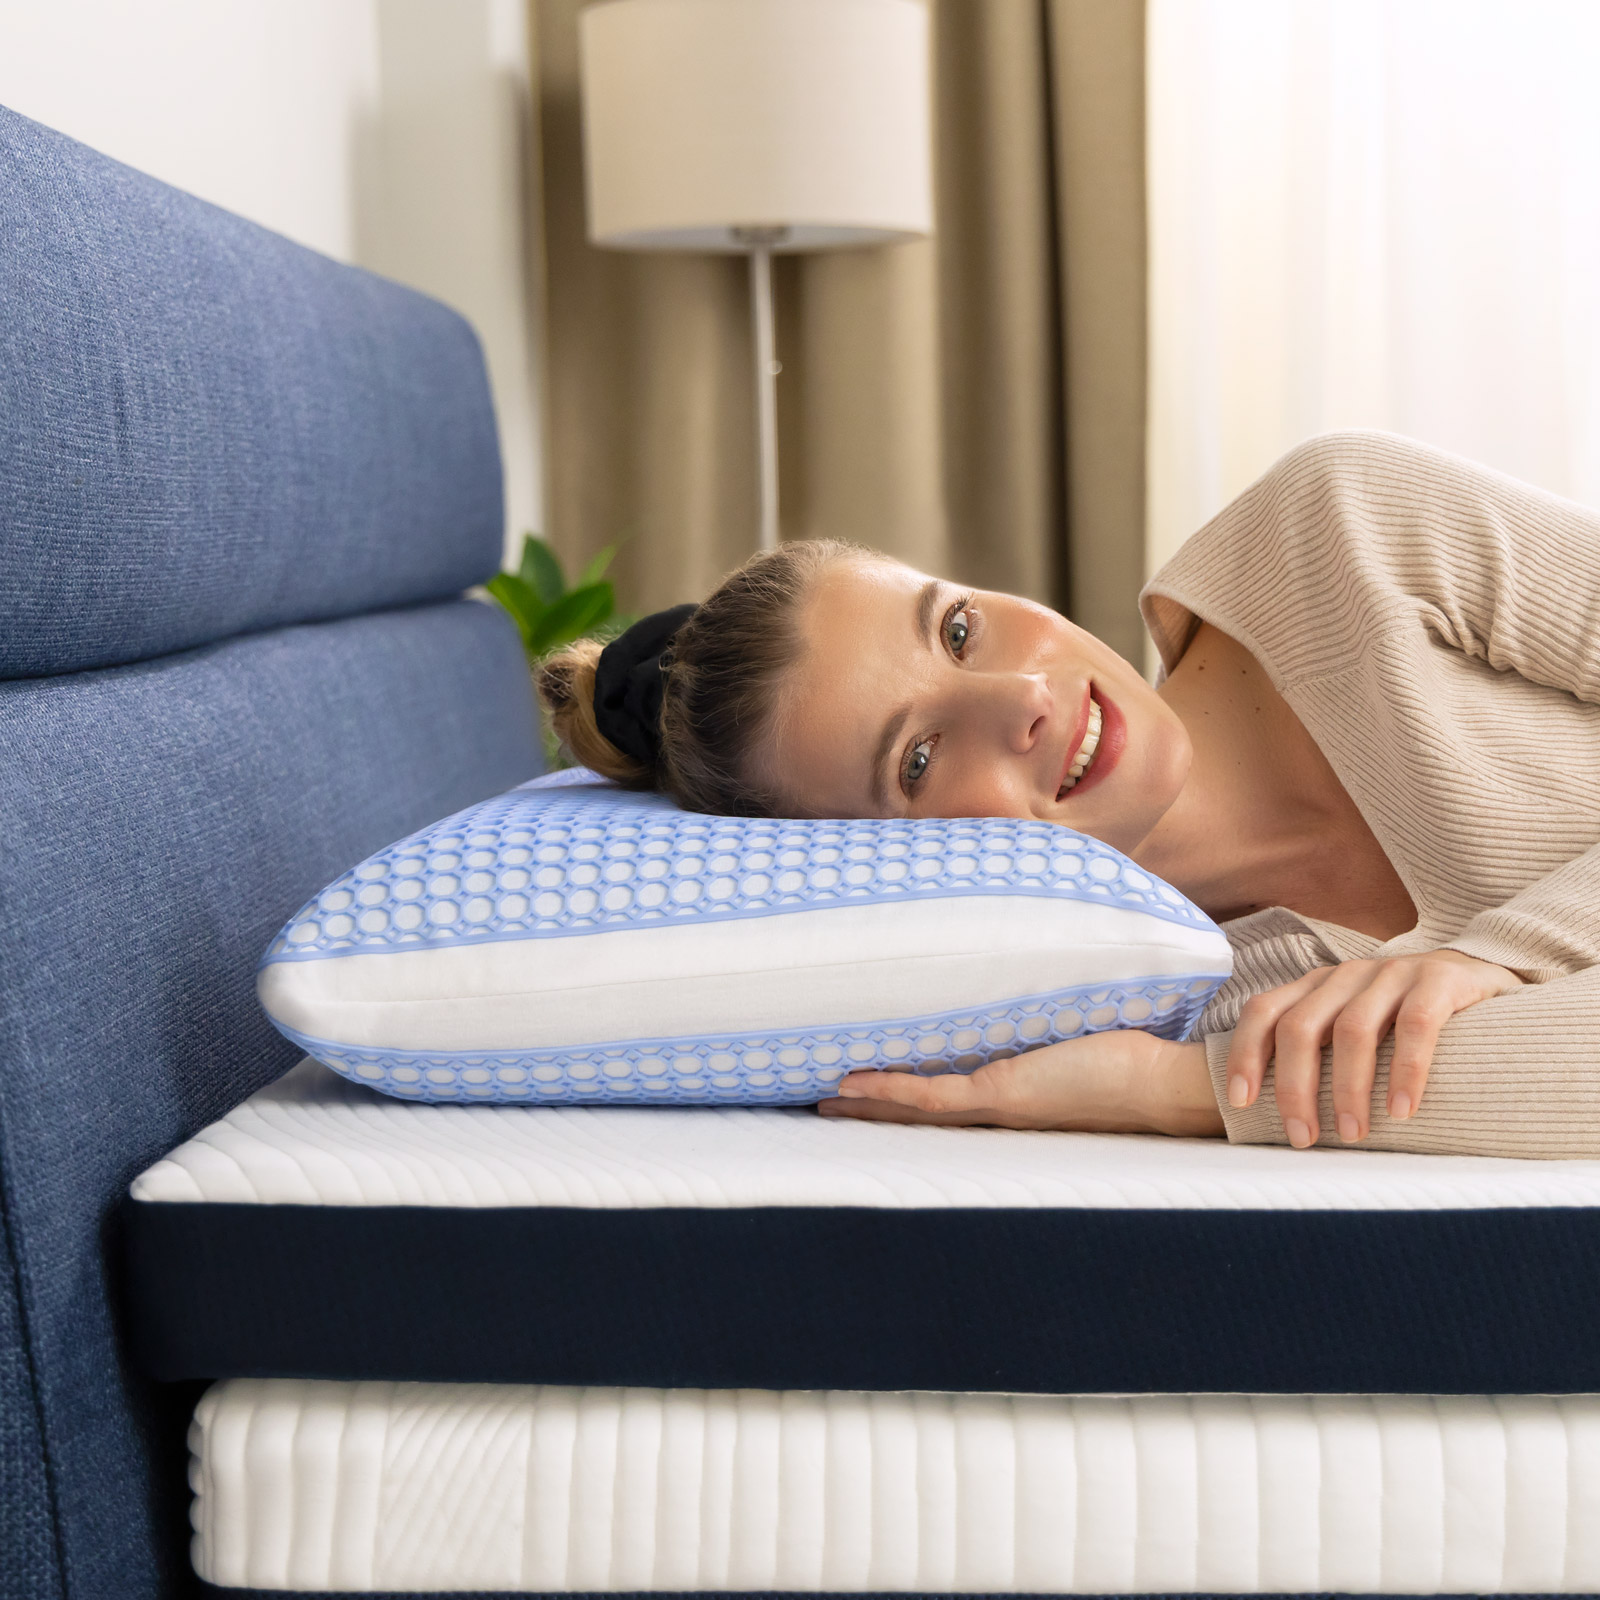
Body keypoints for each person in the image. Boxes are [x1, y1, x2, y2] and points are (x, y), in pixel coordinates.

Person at [539, 431, 1600, 1159]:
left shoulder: (1338, 531)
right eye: (918, 760)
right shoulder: (1161, 1007)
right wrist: (1163, 1080)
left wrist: (1496, 954)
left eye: (957, 628)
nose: (1023, 699)